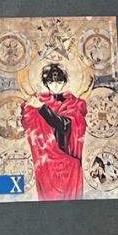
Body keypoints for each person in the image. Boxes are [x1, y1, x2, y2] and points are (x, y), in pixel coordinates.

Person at [21, 62, 87, 200]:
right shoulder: (35, 103)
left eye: (59, 81)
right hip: (47, 163)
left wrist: (42, 108)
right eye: (51, 82)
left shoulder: (75, 104)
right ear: (46, 83)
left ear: (65, 82)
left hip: (68, 160)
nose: (55, 85)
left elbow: (64, 125)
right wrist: (35, 107)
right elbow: (29, 122)